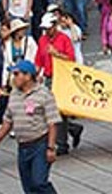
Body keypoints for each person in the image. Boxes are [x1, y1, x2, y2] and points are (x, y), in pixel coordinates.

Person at [0, 60, 60, 194]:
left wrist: (51, 147)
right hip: (23, 146)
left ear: (28, 76)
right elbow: (7, 120)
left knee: (39, 182)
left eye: (17, 74)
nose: (14, 77)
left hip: (40, 144)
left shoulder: (44, 94)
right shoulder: (14, 94)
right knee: (28, 186)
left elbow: (53, 122)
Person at [35, 13, 82, 155]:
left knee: (58, 110)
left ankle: (62, 143)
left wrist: (56, 54)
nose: (46, 31)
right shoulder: (42, 40)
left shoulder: (64, 39)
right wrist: (35, 75)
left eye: (48, 28)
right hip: (49, 77)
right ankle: (72, 129)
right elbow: (39, 60)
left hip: (62, 77)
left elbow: (71, 59)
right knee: (50, 111)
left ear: (55, 26)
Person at [0, 18, 38, 125]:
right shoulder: (7, 44)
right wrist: (4, 82)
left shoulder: (29, 42)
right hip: (14, 76)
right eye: (20, 30)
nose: (23, 32)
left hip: (27, 74)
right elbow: (7, 63)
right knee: (15, 101)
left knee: (28, 99)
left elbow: (33, 59)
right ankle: (15, 122)